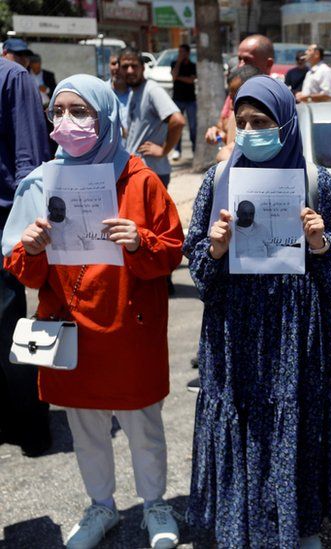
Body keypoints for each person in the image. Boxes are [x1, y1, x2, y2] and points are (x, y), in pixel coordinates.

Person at [2, 74, 184, 549]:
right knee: (87, 430)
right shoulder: (40, 181)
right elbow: (20, 267)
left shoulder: (140, 179)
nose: (66, 122)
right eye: (58, 112)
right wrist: (33, 247)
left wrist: (140, 241)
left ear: (105, 117)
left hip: (130, 331)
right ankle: (101, 506)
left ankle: (154, 505)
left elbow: (171, 251)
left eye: (79, 112)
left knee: (144, 425)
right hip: (71, 328)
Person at [184, 75, 331, 548]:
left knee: (293, 419)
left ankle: (297, 524)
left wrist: (319, 244)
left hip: (296, 332)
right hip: (234, 330)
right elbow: (196, 271)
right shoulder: (218, 179)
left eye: (263, 121)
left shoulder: (315, 181)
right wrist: (214, 250)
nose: (252, 130)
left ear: (286, 124)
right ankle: (239, 524)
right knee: (242, 420)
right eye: (243, 123)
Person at [0, 49, 51, 458]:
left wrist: (25, 222)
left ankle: (31, 423)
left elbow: (29, 160)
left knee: (6, 324)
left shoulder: (14, 77)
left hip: (3, 217)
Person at [119, 47, 186, 188]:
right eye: (125, 66)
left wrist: (164, 150)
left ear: (142, 68)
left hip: (151, 173)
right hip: (137, 171)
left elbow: (178, 120)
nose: (130, 70)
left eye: (134, 66)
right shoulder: (134, 92)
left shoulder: (152, 90)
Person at [205, 35, 273, 161]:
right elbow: (225, 128)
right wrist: (218, 134)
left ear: (268, 63)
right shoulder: (236, 90)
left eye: (247, 60)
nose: (240, 65)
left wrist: (228, 155)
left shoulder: (277, 100)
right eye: (239, 59)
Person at [206, 64, 262, 164]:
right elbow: (225, 132)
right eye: (231, 98)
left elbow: (228, 153)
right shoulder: (235, 115)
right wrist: (220, 134)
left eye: (236, 98)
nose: (231, 107)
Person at [170, 44, 197, 160]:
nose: (180, 54)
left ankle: (195, 149)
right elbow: (173, 76)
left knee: (192, 127)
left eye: (183, 52)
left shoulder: (192, 65)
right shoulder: (174, 63)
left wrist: (179, 78)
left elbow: (191, 80)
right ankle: (177, 150)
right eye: (179, 52)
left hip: (190, 100)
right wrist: (179, 63)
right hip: (177, 99)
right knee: (177, 126)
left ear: (188, 53)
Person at [107, 55, 130, 130]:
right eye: (113, 64)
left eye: (120, 65)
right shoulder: (102, 91)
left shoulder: (136, 93)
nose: (117, 68)